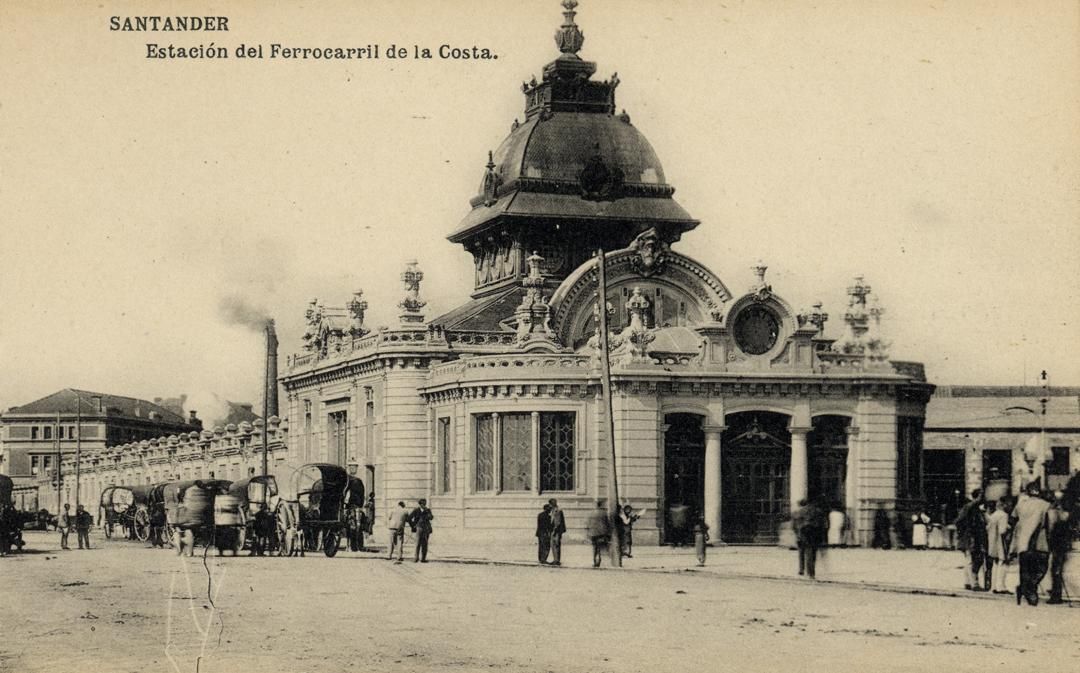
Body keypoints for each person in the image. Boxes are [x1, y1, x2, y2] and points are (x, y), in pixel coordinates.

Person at [1009, 482, 1052, 606]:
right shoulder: (1046, 505)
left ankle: (1025, 589)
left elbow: (1012, 520)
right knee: (1042, 568)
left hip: (1023, 541)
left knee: (1025, 569)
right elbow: (1050, 524)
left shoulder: (1020, 505)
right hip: (1040, 541)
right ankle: (1030, 589)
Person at [954, 489, 988, 591]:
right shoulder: (970, 507)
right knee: (972, 560)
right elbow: (959, 521)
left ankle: (968, 582)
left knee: (968, 560)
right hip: (970, 538)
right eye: (981, 496)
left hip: (971, 537)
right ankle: (974, 583)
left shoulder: (975, 509)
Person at [1046, 490, 1071, 605]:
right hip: (1061, 544)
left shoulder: (1058, 513)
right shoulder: (1064, 513)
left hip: (1058, 544)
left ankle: (1056, 595)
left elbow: (1052, 528)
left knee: (1056, 569)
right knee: (1056, 568)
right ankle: (1056, 592)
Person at [792, 499, 824, 579]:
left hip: (801, 534)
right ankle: (811, 572)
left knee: (801, 553)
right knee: (812, 553)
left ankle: (801, 569)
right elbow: (822, 524)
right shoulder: (818, 511)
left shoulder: (797, 512)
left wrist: (797, 534)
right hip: (814, 534)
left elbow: (794, 526)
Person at [985, 498, 1011, 594]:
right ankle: (1001, 586)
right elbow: (1002, 530)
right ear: (1003, 505)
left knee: (995, 564)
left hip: (992, 541)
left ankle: (993, 586)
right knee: (1002, 563)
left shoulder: (994, 515)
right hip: (1001, 541)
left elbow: (988, 527)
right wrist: (1008, 529)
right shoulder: (1004, 515)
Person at [585, 500, 610, 568]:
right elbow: (607, 523)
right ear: (601, 505)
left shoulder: (591, 513)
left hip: (593, 533)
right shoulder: (604, 513)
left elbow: (587, 523)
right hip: (602, 533)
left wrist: (588, 533)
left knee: (594, 548)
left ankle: (595, 561)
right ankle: (599, 560)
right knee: (600, 548)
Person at [409, 499, 434, 563]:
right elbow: (409, 518)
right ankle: (416, 558)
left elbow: (431, 517)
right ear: (420, 504)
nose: (424, 505)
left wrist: (428, 513)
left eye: (425, 504)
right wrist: (413, 525)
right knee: (417, 543)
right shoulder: (416, 510)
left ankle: (423, 559)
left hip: (426, 528)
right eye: (423, 504)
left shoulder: (428, 510)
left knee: (425, 544)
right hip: (419, 528)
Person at [548, 498, 566, 566]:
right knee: (554, 545)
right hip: (554, 530)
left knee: (556, 544)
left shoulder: (557, 511)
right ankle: (555, 559)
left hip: (556, 531)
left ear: (552, 504)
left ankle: (557, 560)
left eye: (550, 504)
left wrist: (555, 530)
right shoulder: (553, 510)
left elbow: (558, 522)